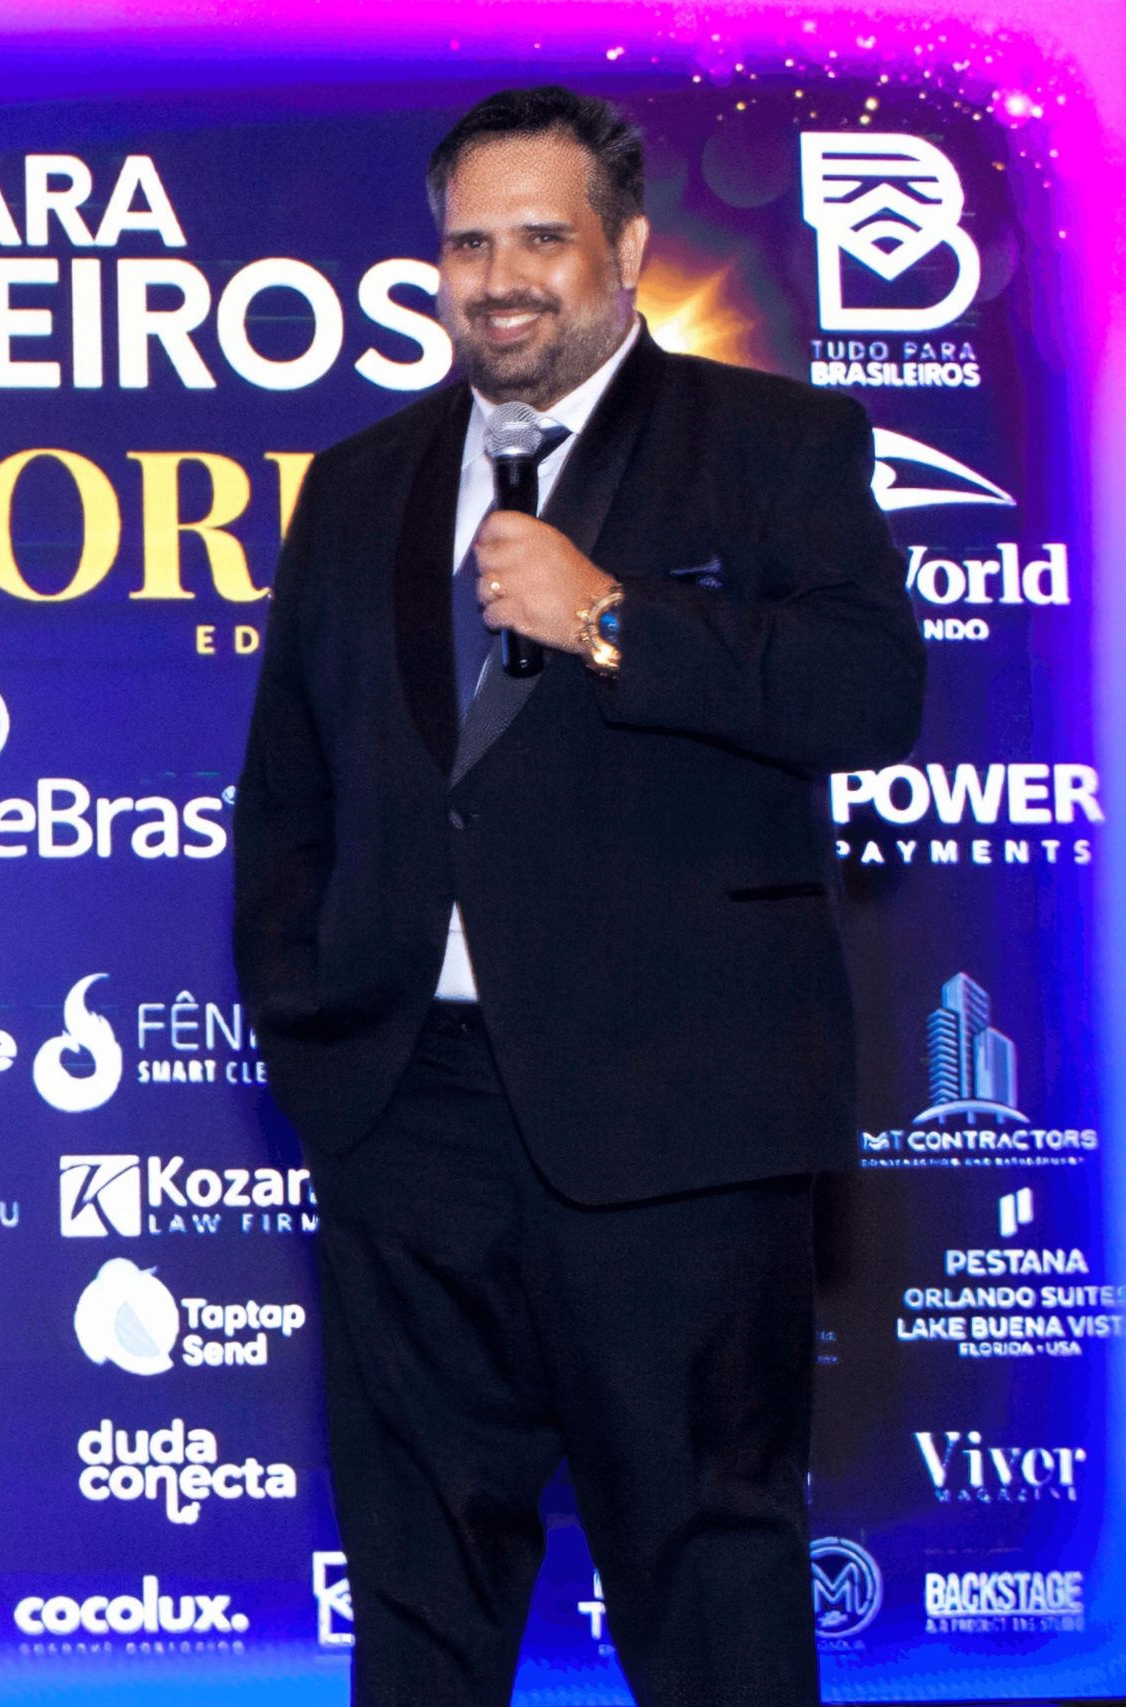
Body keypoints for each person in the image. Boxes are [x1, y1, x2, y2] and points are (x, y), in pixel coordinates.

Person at [230, 86, 924, 1706]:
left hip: (677, 1121)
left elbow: (870, 697)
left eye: (541, 238)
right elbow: (291, 795)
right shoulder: (360, 484)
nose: (500, 280)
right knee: (420, 1602)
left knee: (711, 1585)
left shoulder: (776, 444)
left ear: (626, 249)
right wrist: (325, 1043)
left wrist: (613, 619)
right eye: (469, 244)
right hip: (411, 1120)